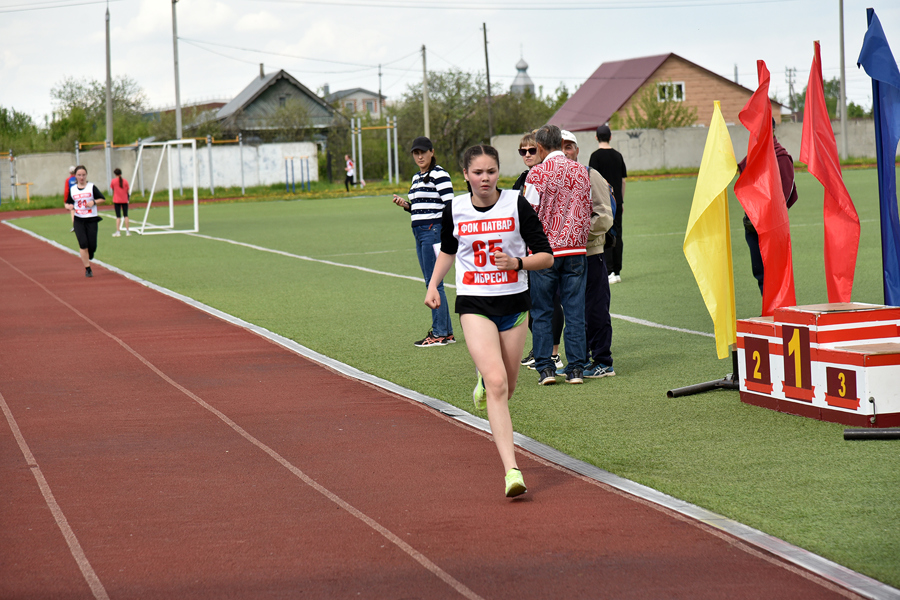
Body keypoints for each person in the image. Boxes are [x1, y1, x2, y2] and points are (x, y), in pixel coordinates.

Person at [425, 144, 553, 497]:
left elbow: (546, 257)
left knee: (507, 388)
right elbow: (449, 252)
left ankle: (485, 379)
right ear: (465, 174)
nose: (485, 178)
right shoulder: (455, 208)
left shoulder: (516, 203)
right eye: (478, 172)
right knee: (498, 384)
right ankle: (512, 471)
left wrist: (518, 264)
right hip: (474, 304)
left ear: (499, 171)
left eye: (491, 171)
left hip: (514, 306)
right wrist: (433, 285)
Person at [523, 125, 592, 385]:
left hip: (545, 252)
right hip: (575, 249)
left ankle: (546, 369)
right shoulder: (580, 171)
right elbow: (587, 209)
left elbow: (529, 212)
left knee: (542, 310)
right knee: (575, 311)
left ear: (540, 146)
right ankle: (576, 369)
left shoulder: (536, 174)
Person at [561, 130, 616, 378]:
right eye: (560, 146)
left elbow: (604, 216)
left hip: (590, 253)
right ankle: (579, 360)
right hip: (565, 256)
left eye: (569, 146)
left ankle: (603, 361)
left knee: (595, 309)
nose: (565, 151)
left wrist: (575, 236)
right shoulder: (552, 178)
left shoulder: (590, 174)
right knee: (574, 310)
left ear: (577, 150)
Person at [392, 136, 455, 347]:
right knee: (433, 282)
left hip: (432, 231)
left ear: (431, 152)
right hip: (419, 231)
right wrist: (406, 205)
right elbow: (420, 207)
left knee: (433, 282)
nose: (419, 156)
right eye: (415, 153)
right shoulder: (417, 177)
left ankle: (439, 333)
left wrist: (446, 231)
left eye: (423, 152)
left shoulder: (439, 174)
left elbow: (449, 205)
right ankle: (446, 332)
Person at [514, 132, 564, 371]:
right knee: (534, 302)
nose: (527, 155)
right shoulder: (523, 178)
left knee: (551, 302)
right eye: (522, 151)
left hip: (550, 248)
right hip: (528, 250)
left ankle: (553, 353)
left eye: (531, 150)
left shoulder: (547, 173)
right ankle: (541, 348)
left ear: (541, 149)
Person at [739, 119, 798, 295]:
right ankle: (768, 313)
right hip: (753, 224)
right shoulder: (754, 155)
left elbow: (786, 194)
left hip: (772, 226)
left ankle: (777, 313)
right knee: (760, 273)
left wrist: (767, 216)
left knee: (774, 273)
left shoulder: (780, 157)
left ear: (772, 129)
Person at [589, 125, 627, 284]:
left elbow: (592, 180)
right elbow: (623, 180)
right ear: (610, 137)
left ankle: (609, 270)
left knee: (606, 234)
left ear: (596, 137)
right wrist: (621, 200)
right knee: (618, 234)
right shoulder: (618, 156)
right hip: (617, 201)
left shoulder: (595, 157)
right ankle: (617, 272)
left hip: (603, 203)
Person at [66, 165, 104, 278]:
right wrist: (68, 206)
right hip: (78, 220)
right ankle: (87, 269)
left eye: (83, 175)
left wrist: (94, 202)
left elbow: (102, 198)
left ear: (86, 175)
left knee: (92, 245)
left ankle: (91, 253)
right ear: (75, 176)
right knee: (83, 244)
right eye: (79, 175)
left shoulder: (91, 187)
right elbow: (68, 202)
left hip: (91, 219)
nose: (81, 177)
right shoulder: (72, 189)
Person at [110, 167, 131, 237]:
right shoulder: (125, 181)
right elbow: (128, 190)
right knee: (126, 215)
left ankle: (118, 231)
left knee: (118, 216)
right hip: (124, 200)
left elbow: (113, 188)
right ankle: (128, 231)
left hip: (117, 200)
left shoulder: (113, 181)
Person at [64, 165, 77, 232]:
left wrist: (66, 201)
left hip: (71, 197)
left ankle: (75, 226)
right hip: (78, 196)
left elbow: (66, 190)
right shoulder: (78, 179)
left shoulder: (68, 180)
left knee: (72, 211)